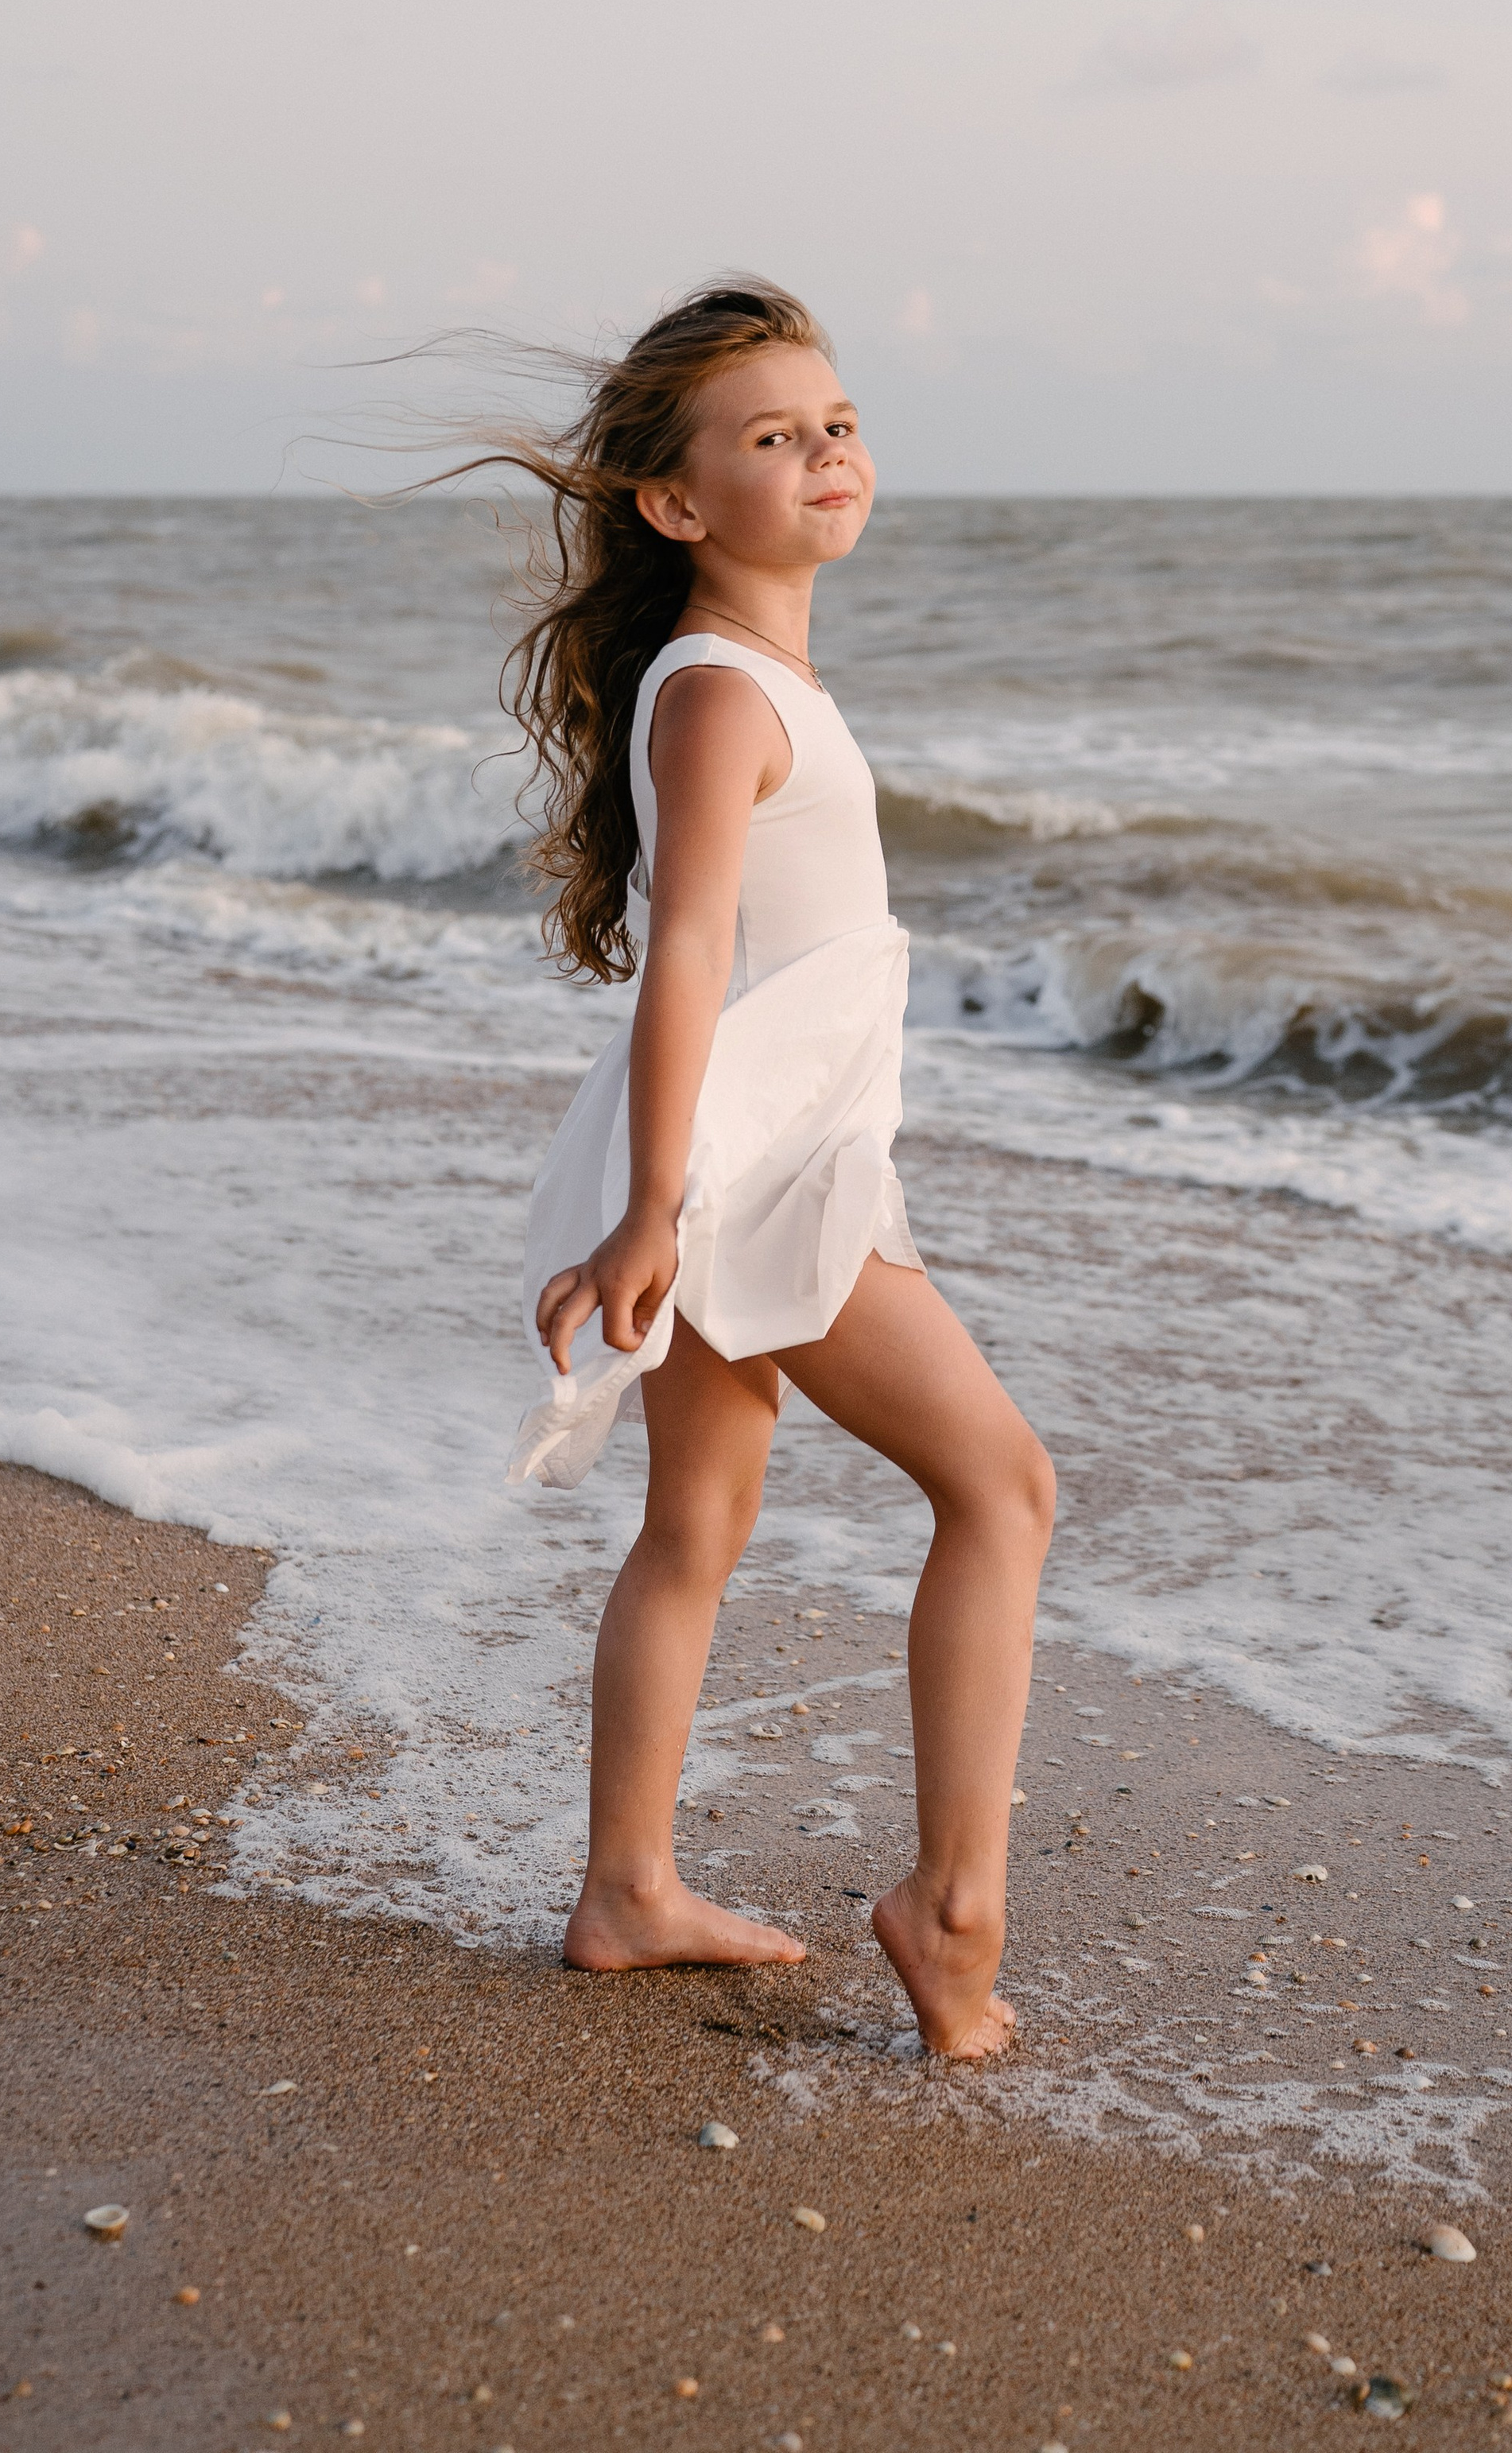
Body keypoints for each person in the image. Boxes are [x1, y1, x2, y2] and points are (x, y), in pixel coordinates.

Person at [484, 276, 1053, 2059]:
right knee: (1002, 1491)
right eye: (770, 437)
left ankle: (626, 1889)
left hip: (763, 1152)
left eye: (838, 422)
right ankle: (950, 1914)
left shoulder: (748, 677)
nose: (824, 454)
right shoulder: (722, 692)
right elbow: (695, 952)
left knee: (698, 1523)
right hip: (750, 1175)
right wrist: (658, 1206)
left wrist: (671, 1191)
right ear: (675, 503)